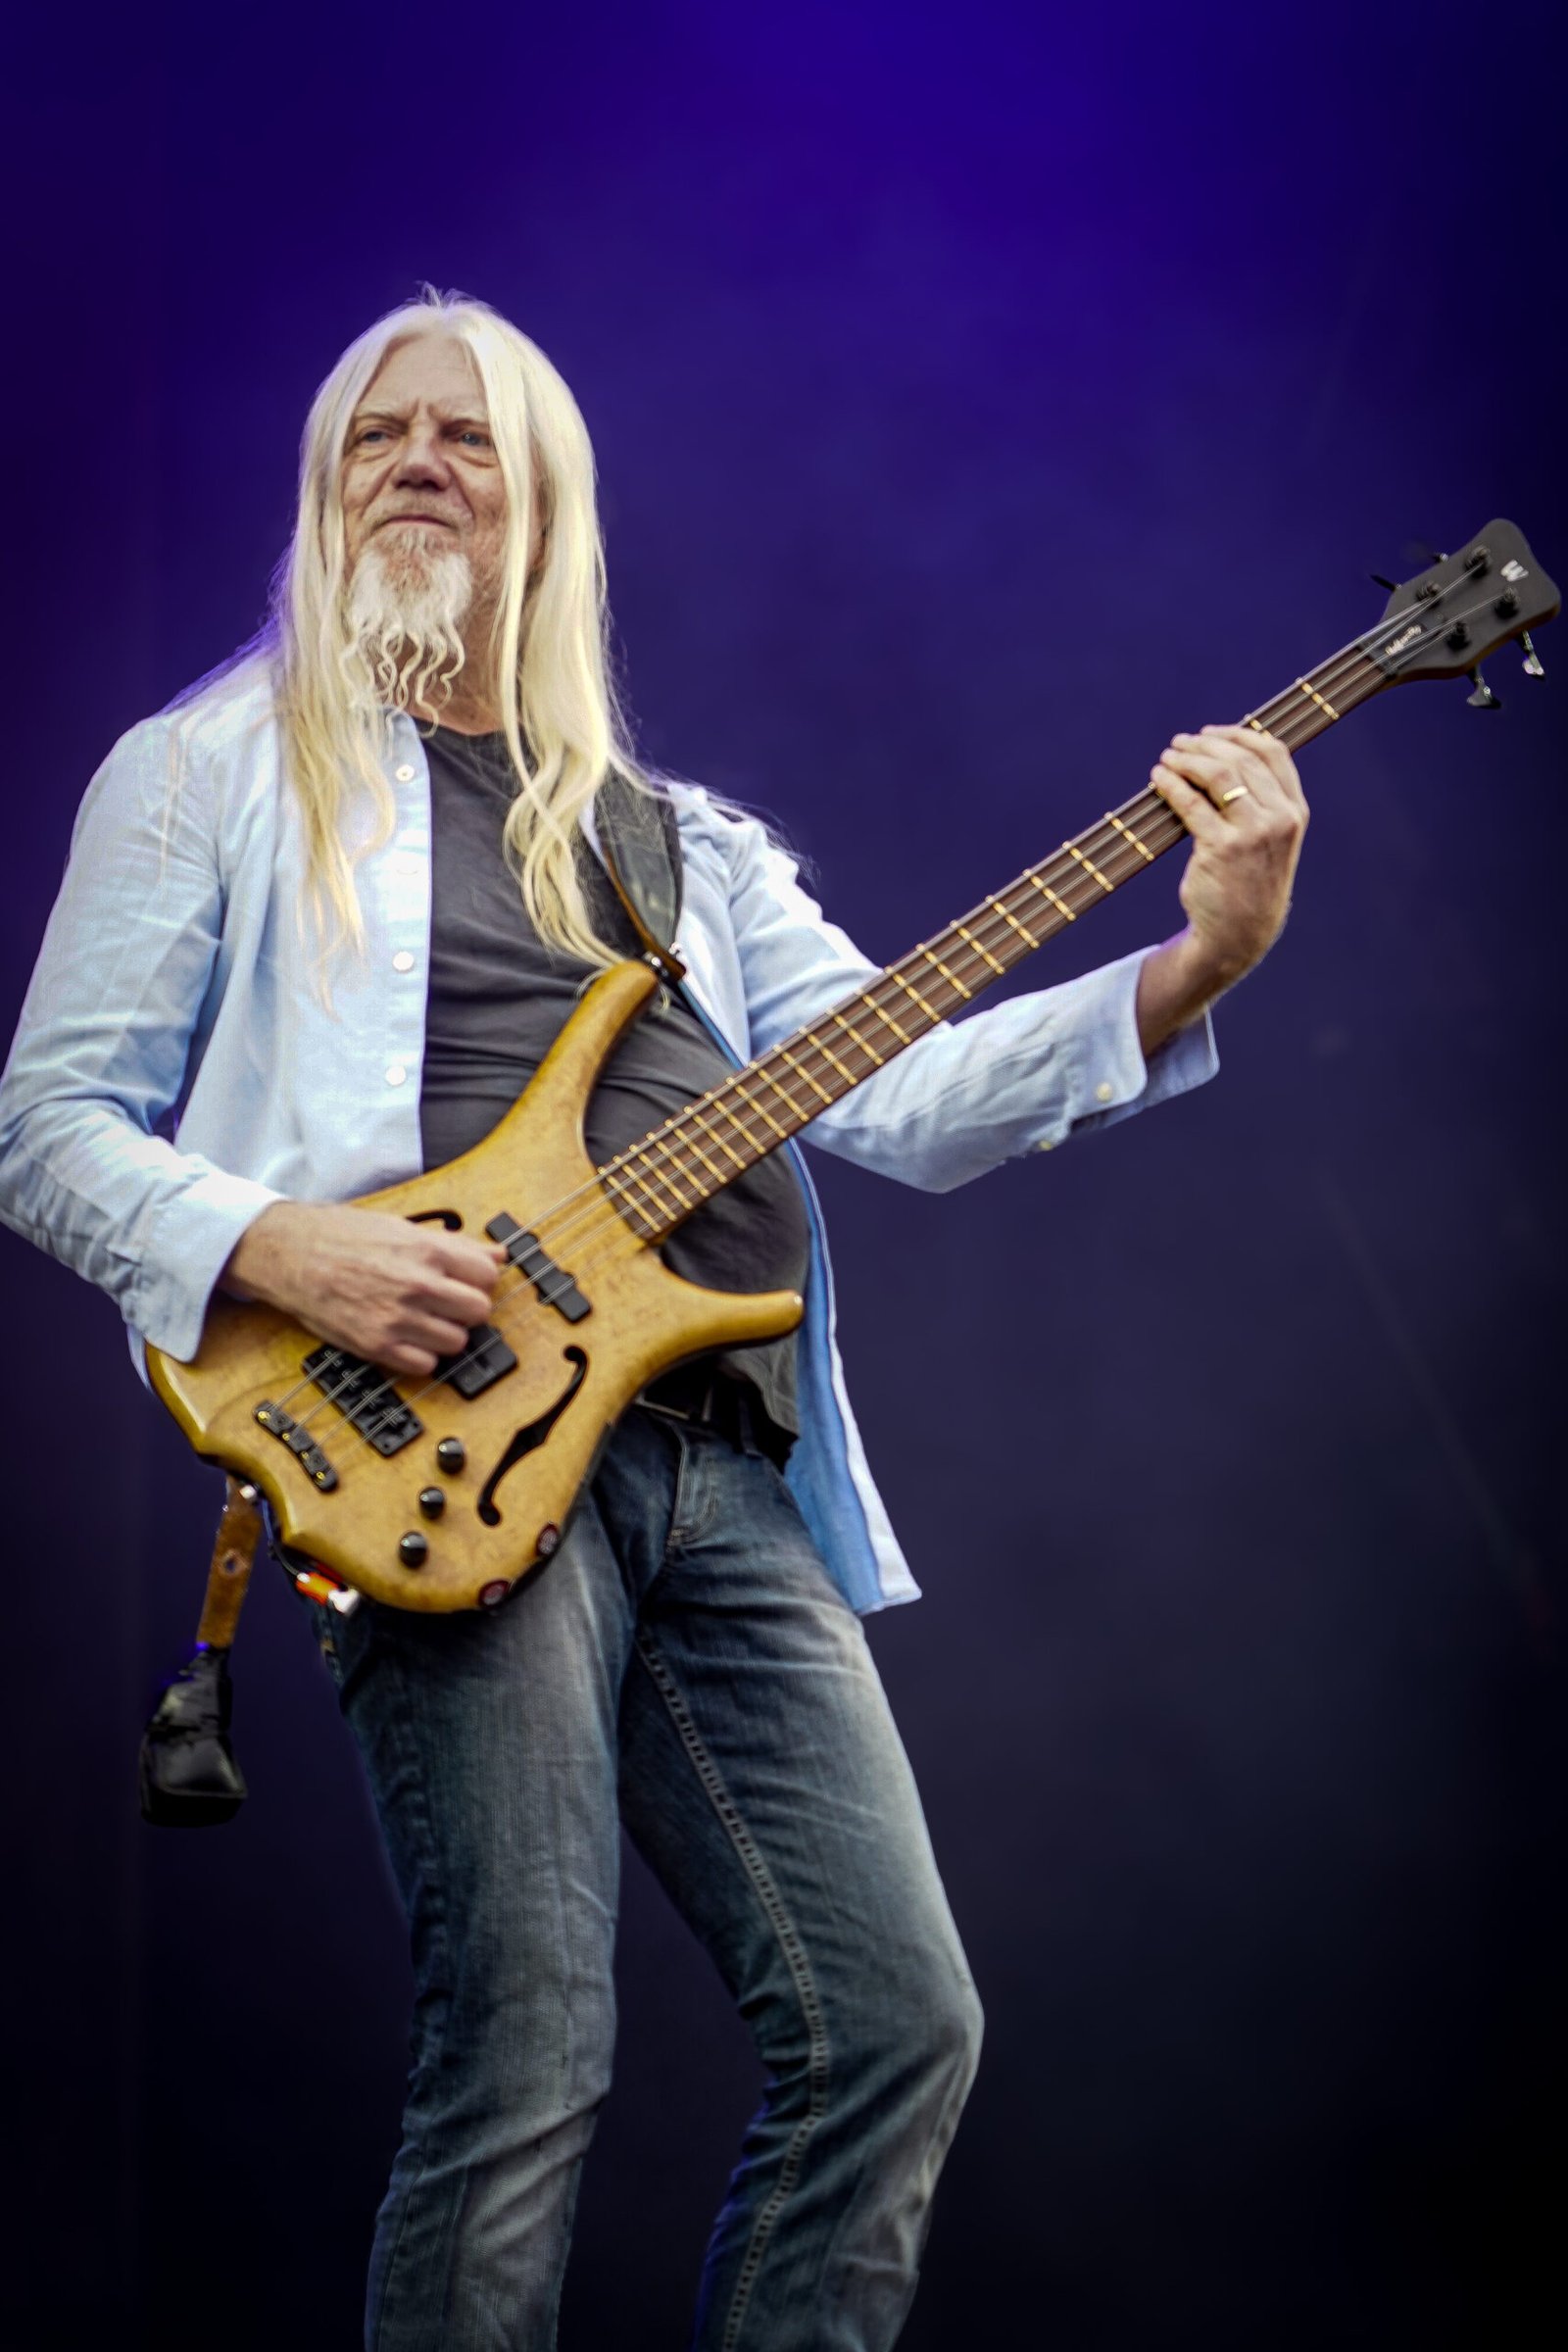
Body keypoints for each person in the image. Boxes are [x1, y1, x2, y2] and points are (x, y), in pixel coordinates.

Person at [0, 293, 1307, 2351]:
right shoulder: (208, 773)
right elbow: (46, 1128)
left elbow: (904, 1095)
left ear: (545, 505)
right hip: (440, 1452)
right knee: (525, 2050)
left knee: (895, 2024)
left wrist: (1193, 962)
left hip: (722, 1470)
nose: (416, 462)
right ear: (322, 492)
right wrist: (285, 1249)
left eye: (468, 437)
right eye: (375, 435)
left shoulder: (670, 842)